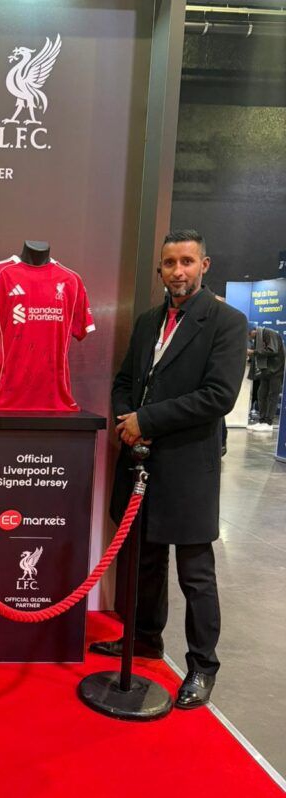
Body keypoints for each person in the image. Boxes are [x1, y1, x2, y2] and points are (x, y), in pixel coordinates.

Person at [90, 230, 248, 709]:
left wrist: (147, 420)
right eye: (169, 263)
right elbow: (124, 380)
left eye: (186, 261)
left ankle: (202, 666)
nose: (177, 271)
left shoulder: (227, 322)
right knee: (145, 561)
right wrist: (125, 421)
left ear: (205, 265)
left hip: (188, 468)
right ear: (159, 269)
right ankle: (143, 638)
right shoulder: (146, 322)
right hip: (139, 464)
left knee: (195, 574)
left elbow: (218, 396)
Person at [246, 326, 284, 432]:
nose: (250, 338)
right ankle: (262, 421)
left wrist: (253, 352)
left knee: (272, 395)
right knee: (261, 394)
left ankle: (269, 423)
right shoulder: (258, 338)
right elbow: (259, 352)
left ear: (253, 331)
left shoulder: (268, 333)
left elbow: (273, 350)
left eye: (249, 335)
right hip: (265, 370)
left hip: (276, 370)